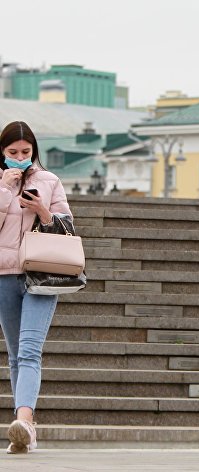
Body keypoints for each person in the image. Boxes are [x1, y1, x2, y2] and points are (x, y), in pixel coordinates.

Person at [0, 121, 72, 454]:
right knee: (16, 355)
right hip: (4, 275)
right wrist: (4, 191)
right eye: (12, 152)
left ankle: (24, 421)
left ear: (34, 151)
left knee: (29, 350)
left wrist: (42, 210)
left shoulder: (49, 181)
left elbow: (67, 228)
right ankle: (27, 428)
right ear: (2, 152)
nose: (19, 157)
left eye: (25, 152)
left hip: (42, 273)